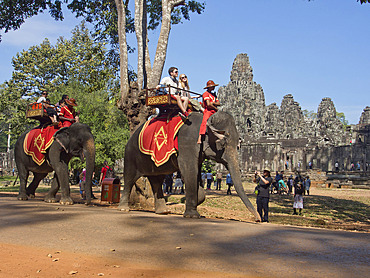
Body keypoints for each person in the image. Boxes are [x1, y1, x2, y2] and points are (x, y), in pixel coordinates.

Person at [197, 80, 220, 144]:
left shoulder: (213, 95)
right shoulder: (205, 94)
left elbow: (219, 103)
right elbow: (208, 105)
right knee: (204, 121)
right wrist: (216, 108)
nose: (213, 88)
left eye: (213, 86)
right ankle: (200, 137)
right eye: (212, 86)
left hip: (214, 111)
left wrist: (213, 103)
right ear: (208, 87)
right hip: (208, 111)